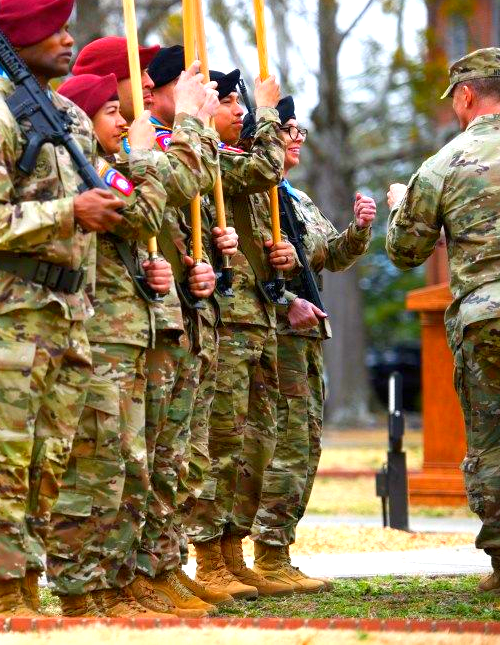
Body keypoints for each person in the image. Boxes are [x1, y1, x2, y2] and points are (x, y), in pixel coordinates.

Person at [0, 0, 129, 617]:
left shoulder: (69, 118)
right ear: (17, 42)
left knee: (48, 462)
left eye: (68, 29)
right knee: (5, 459)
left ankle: (28, 586)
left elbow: (96, 204)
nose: (68, 40)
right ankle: (4, 598)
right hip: (5, 314)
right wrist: (70, 211)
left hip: (65, 316)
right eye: (54, 31)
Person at [386, 47, 500, 615]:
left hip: (484, 319)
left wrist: (399, 208)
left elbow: (405, 251)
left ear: (465, 96)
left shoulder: (443, 164)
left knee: (492, 442)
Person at [72, 38, 228, 616]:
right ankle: (126, 575)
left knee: (168, 455)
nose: (134, 95)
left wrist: (191, 266)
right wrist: (185, 124)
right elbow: (148, 204)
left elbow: (168, 203)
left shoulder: (130, 145)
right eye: (128, 84)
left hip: (154, 313)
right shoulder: (98, 149)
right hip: (116, 325)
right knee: (125, 460)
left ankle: (157, 564)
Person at [44, 72, 176, 618]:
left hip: (126, 333)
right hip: (98, 336)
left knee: (126, 464)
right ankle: (82, 586)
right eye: (109, 112)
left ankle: (112, 581)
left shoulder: (104, 168)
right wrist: (144, 157)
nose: (123, 118)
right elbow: (142, 212)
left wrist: (156, 271)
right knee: (94, 464)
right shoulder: (91, 171)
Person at [249, 96, 374, 593]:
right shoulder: (254, 195)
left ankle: (278, 549)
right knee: (281, 444)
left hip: (306, 337)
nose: (297, 136)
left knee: (304, 443)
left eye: (299, 129)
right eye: (286, 128)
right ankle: (265, 554)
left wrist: (360, 230)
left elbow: (326, 257)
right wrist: (283, 304)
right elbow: (249, 270)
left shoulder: (294, 198)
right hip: (277, 332)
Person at [184, 62, 299, 601]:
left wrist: (284, 257)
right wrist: (271, 110)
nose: (240, 111)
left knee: (257, 444)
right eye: (230, 102)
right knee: (222, 442)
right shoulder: (212, 162)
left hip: (258, 317)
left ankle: (233, 550)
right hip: (227, 322)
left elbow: (262, 195)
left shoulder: (232, 163)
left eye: (241, 103)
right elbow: (264, 169)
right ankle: (208, 556)